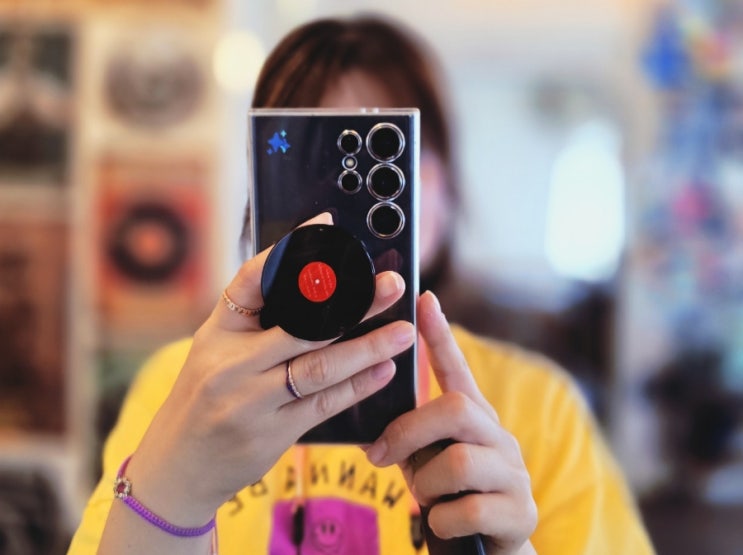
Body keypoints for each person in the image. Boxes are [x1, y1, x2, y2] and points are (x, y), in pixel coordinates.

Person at [68, 14, 655, 555]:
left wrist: (508, 550)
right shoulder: (186, 385)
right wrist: (173, 493)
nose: (345, 212)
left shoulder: (540, 408)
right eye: (316, 171)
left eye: (388, 158)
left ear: (444, 195)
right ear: (262, 198)